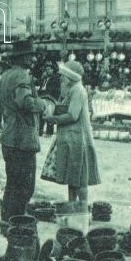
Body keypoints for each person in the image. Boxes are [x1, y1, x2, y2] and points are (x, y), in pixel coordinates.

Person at [0, 39, 53, 234]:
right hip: (21, 139)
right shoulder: (21, 76)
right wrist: (43, 104)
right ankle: (16, 224)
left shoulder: (6, 75)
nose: (34, 58)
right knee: (25, 186)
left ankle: (6, 220)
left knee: (13, 183)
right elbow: (25, 102)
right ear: (23, 58)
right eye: (31, 55)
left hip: (9, 136)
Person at [40, 60, 100, 204]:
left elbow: (72, 115)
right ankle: (72, 208)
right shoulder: (71, 90)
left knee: (80, 180)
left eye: (63, 77)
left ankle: (83, 210)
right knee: (72, 179)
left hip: (78, 141)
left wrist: (52, 119)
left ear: (70, 77)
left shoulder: (78, 90)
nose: (61, 79)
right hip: (71, 139)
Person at [36, 62, 61, 137]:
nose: (47, 71)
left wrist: (43, 93)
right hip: (43, 98)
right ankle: (39, 131)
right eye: (46, 69)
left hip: (51, 99)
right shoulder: (44, 79)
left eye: (49, 69)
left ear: (53, 70)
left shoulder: (55, 78)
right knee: (40, 114)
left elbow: (52, 90)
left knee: (49, 114)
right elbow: (40, 88)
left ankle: (49, 132)